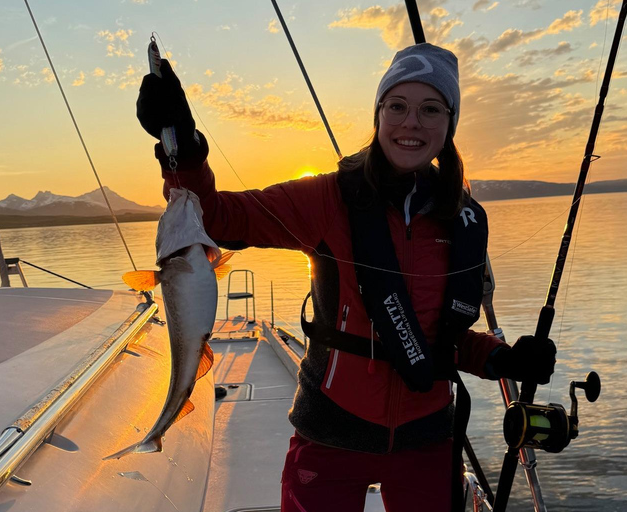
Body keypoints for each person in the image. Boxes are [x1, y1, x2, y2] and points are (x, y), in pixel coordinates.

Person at [137, 42, 556, 512]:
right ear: (378, 115)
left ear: (449, 124)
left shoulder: (461, 218)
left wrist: (504, 359)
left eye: (430, 109)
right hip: (331, 432)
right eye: (397, 106)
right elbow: (217, 218)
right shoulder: (327, 198)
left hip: (428, 440)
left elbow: (443, 340)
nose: (411, 123)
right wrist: (185, 149)